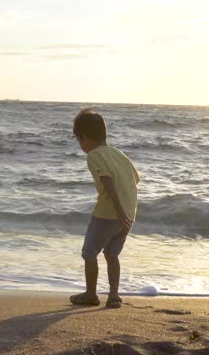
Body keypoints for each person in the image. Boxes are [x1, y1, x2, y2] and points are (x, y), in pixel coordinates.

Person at [70, 108, 140, 309]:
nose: (80, 145)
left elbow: (108, 182)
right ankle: (114, 296)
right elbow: (135, 180)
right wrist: (125, 212)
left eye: (78, 140)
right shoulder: (119, 154)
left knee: (89, 253)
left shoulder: (94, 155)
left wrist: (117, 210)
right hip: (129, 214)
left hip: (108, 214)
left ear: (84, 137)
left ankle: (91, 294)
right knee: (112, 255)